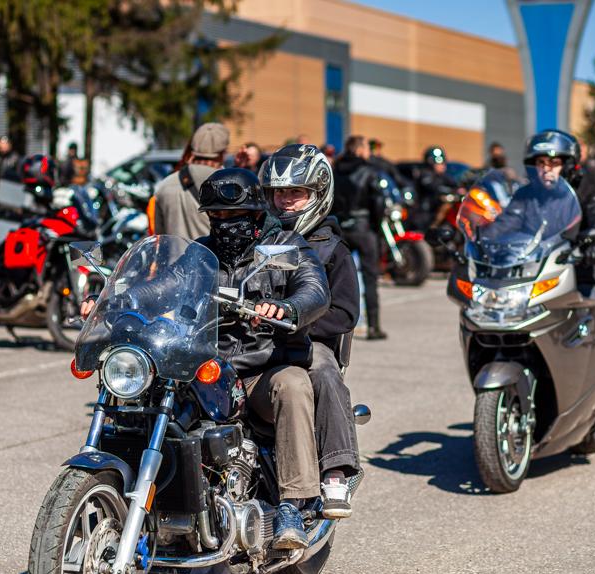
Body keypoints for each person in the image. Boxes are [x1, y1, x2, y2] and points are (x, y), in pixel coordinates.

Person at [81, 167, 331, 548]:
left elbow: (314, 288)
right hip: (208, 365)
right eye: (216, 216)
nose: (224, 223)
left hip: (263, 366)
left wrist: (288, 307)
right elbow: (162, 286)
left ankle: (294, 505)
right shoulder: (201, 255)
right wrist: (116, 299)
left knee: (293, 385)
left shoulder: (286, 246)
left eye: (234, 215)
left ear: (255, 215)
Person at [260, 143, 361, 519]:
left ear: (318, 194)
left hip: (309, 341)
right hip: (255, 339)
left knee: (323, 370)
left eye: (296, 192)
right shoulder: (257, 239)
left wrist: (294, 320)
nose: (285, 201)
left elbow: (345, 313)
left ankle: (337, 470)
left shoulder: (332, 248)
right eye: (279, 193)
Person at [521, 129, 595, 417]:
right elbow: (508, 225)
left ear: (568, 165)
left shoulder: (587, 189)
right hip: (539, 275)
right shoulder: (528, 196)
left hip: (583, 272)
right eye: (541, 163)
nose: (546, 169)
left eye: (553, 163)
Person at [331, 135, 387, 340]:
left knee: (336, 278)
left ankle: (335, 326)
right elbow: (378, 202)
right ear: (361, 149)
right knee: (370, 278)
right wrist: (376, 226)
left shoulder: (335, 170)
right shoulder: (369, 170)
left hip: (340, 227)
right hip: (363, 228)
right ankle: (373, 327)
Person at [153, 122, 228, 240]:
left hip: (175, 252)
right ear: (223, 153)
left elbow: (159, 237)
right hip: (211, 253)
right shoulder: (229, 185)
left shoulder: (164, 185)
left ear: (192, 149)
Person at [416, 145, 458, 229]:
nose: (442, 166)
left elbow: (455, 184)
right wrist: (450, 191)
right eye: (439, 163)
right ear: (431, 163)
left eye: (443, 163)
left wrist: (461, 189)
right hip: (427, 212)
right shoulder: (425, 174)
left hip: (435, 209)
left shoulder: (443, 176)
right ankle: (434, 227)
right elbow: (433, 187)